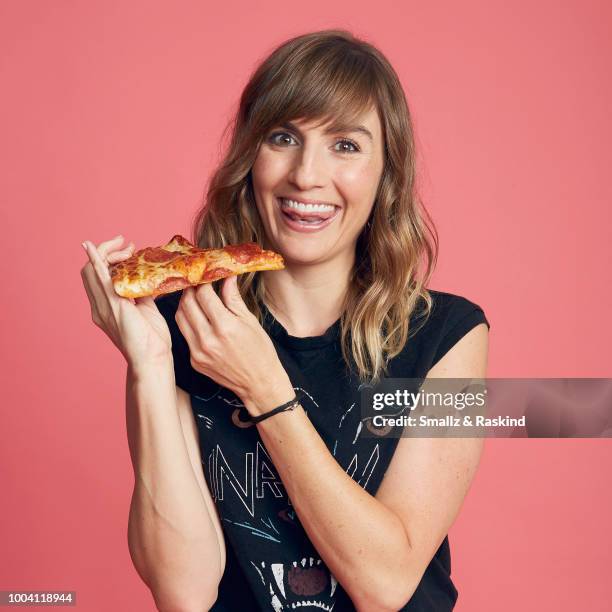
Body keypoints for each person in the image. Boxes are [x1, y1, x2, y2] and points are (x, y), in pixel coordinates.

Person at [80, 29, 489, 612]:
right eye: (283, 138)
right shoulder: (181, 326)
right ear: (251, 157)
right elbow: (184, 592)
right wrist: (149, 363)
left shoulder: (453, 336)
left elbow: (387, 584)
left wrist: (266, 389)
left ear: (386, 173)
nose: (306, 176)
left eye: (345, 145)